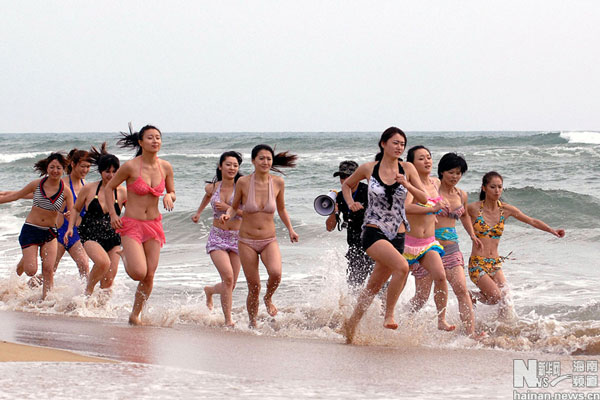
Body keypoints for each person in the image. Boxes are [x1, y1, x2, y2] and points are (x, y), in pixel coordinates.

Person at [340, 127, 428, 344]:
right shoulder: (369, 168)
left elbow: (424, 198)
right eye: (395, 143)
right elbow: (347, 185)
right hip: (373, 231)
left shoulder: (407, 168)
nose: (399, 147)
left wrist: (406, 183)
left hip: (398, 235)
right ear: (383, 144)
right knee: (402, 267)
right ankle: (389, 315)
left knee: (373, 286)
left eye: (402, 144)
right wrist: (351, 203)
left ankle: (351, 323)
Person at [221, 144, 298, 328]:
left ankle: (268, 298)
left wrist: (291, 229)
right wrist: (228, 215)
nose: (265, 162)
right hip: (246, 241)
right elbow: (234, 206)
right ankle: (252, 322)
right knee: (254, 286)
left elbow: (281, 209)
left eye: (269, 159)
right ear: (253, 161)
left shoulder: (278, 182)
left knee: (276, 274)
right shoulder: (243, 182)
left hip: (269, 239)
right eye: (261, 158)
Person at [105, 125, 176, 325]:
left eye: (158, 137)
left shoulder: (166, 167)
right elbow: (109, 188)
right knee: (138, 273)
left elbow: (172, 192)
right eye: (150, 137)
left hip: (153, 225)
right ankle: (125, 254)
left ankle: (135, 314)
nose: (155, 141)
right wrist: (113, 214)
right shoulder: (130, 166)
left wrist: (169, 196)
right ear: (141, 142)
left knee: (149, 275)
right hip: (132, 225)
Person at [466, 171, 565, 313]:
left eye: (500, 187)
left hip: (495, 263)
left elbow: (531, 221)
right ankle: (468, 295)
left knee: (506, 300)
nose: (497, 190)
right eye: (493, 187)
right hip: (477, 263)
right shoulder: (473, 208)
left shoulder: (506, 209)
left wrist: (552, 230)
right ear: (484, 188)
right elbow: (455, 214)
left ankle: (502, 325)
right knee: (495, 297)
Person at [408, 152, 482, 337]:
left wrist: (472, 235)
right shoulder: (433, 187)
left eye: (458, 173)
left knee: (461, 290)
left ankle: (470, 333)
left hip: (451, 247)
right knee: (421, 297)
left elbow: (464, 215)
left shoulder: (461, 194)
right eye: (451, 172)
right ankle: (399, 318)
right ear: (441, 171)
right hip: (429, 247)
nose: (455, 176)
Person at [0, 153, 74, 299]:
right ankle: (25, 261)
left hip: (50, 232)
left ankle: (46, 301)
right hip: (31, 230)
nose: (55, 171)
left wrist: (69, 218)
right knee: (31, 271)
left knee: (48, 270)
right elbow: (15, 196)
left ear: (63, 169)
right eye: (52, 167)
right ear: (47, 168)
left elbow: (73, 214)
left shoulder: (66, 191)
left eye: (58, 168)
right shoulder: (37, 184)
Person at [403, 146, 455, 331]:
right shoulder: (412, 185)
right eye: (421, 158)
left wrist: (445, 206)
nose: (427, 161)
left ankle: (441, 320)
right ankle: (389, 314)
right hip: (408, 243)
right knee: (399, 283)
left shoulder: (435, 183)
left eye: (429, 157)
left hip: (429, 243)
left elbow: (444, 198)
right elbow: (406, 208)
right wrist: (431, 209)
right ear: (411, 164)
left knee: (440, 276)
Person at [66, 143, 126, 296]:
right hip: (91, 234)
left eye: (114, 171)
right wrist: (70, 228)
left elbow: (133, 213)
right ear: (100, 171)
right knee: (103, 263)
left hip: (113, 237)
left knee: (109, 278)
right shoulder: (89, 189)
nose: (111, 175)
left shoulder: (122, 192)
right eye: (107, 171)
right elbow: (76, 209)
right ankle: (88, 292)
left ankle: (100, 307)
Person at [191, 151, 244, 327]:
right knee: (228, 278)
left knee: (231, 284)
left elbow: (249, 214)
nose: (232, 168)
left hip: (237, 238)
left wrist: (228, 207)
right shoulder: (212, 187)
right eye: (228, 164)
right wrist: (198, 213)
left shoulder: (242, 188)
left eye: (235, 165)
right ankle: (228, 320)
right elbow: (207, 197)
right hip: (217, 237)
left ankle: (210, 291)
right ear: (220, 166)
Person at [325, 160, 374, 288]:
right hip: (354, 247)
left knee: (379, 285)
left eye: (349, 176)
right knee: (353, 286)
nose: (345, 179)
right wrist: (333, 212)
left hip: (374, 244)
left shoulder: (369, 192)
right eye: (342, 176)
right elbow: (329, 228)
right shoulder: (339, 197)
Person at [54, 149, 91, 278]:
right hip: (59, 232)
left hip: (76, 234)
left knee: (84, 266)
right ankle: (24, 288)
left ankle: (86, 292)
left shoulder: (86, 186)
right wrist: (60, 212)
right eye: (83, 166)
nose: (85, 170)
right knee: (50, 271)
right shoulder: (61, 184)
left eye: (88, 167)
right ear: (73, 164)